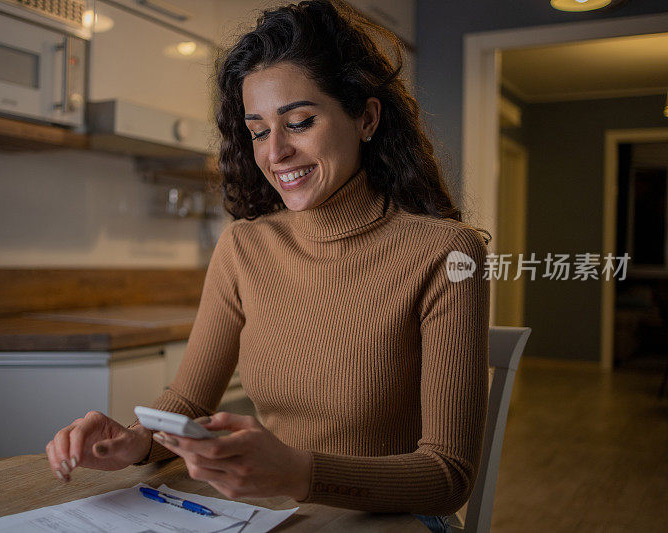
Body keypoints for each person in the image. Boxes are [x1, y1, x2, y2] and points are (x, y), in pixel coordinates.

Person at [46, 2, 489, 531]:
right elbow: (187, 399)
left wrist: (299, 474)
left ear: (366, 118)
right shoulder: (245, 247)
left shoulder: (445, 253)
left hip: (396, 516)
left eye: (299, 122)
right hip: (277, 509)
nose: (275, 152)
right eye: (258, 131)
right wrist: (138, 439)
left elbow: (447, 475)